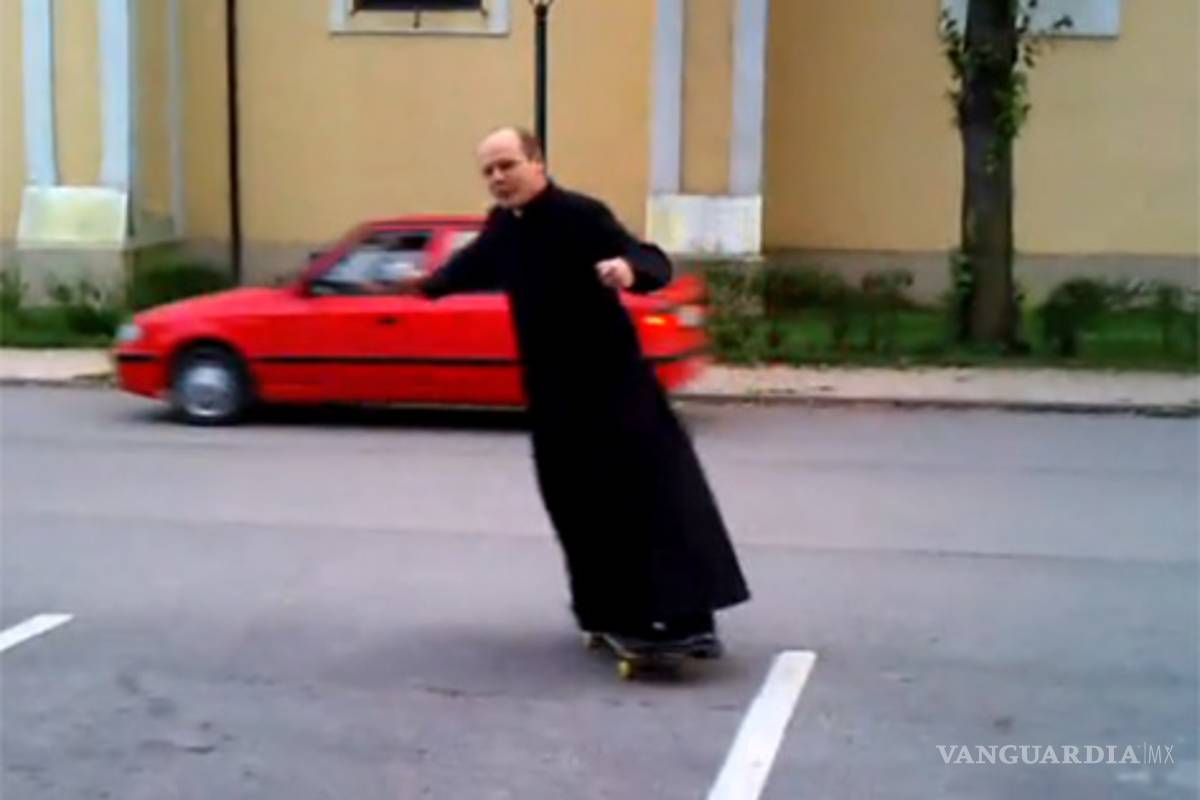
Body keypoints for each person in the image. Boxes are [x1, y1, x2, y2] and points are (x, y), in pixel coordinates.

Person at [405, 126, 749, 653]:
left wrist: (628, 269)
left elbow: (650, 258)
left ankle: (691, 618)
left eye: (507, 165)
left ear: (537, 162)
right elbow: (466, 268)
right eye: (489, 170)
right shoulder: (503, 227)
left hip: (615, 387)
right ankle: (610, 615)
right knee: (580, 508)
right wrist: (421, 286)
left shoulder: (581, 215)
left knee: (657, 496)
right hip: (555, 396)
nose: (498, 177)